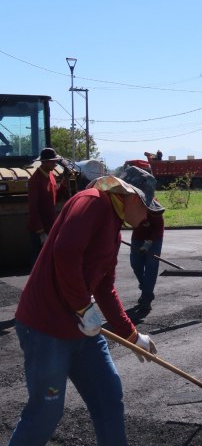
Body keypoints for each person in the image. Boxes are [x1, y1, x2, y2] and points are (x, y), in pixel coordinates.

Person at [10, 167, 164, 446]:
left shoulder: (114, 227)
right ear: (131, 197)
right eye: (147, 209)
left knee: (108, 396)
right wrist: (83, 308)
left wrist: (131, 335)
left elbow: (105, 287)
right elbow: (65, 254)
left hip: (82, 330)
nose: (147, 218)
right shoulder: (91, 202)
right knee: (46, 411)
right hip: (47, 327)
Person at [126, 168, 165, 313]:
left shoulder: (154, 205)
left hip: (154, 239)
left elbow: (158, 228)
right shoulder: (131, 203)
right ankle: (145, 288)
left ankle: (147, 299)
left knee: (151, 267)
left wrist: (149, 243)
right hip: (137, 237)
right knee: (135, 264)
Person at [27, 147, 70, 266]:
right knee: (37, 261)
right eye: (53, 161)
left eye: (56, 161)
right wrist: (41, 232)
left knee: (48, 261)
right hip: (39, 230)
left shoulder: (51, 176)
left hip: (49, 225)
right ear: (44, 162)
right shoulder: (35, 181)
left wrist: (64, 184)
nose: (55, 164)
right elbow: (33, 208)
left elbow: (56, 197)